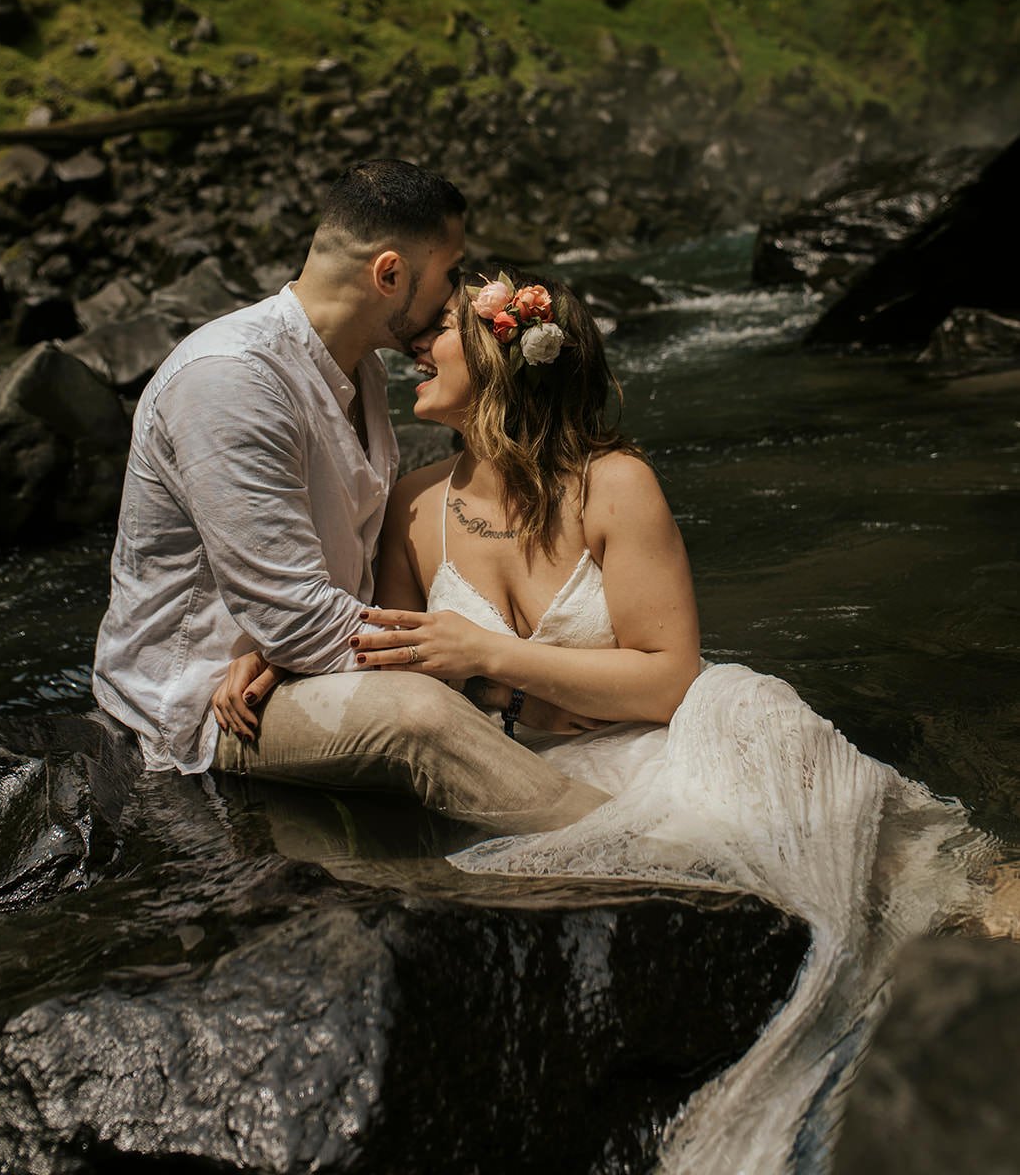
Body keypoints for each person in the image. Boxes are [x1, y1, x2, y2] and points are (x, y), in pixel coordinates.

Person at [224, 267, 997, 1171]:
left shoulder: (614, 484)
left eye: (439, 330)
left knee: (901, 878)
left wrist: (490, 658)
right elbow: (391, 652)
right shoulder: (414, 503)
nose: (414, 346)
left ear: (501, 359)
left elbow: (666, 680)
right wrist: (282, 651)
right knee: (761, 895)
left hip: (682, 738)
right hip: (540, 769)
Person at [92, 163, 607, 835]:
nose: (458, 297)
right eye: (450, 272)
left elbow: (320, 595)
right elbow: (298, 621)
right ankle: (635, 856)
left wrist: (281, 652)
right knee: (418, 718)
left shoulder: (359, 368)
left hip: (284, 665)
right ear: (389, 274)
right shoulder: (230, 382)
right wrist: (503, 690)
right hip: (206, 702)